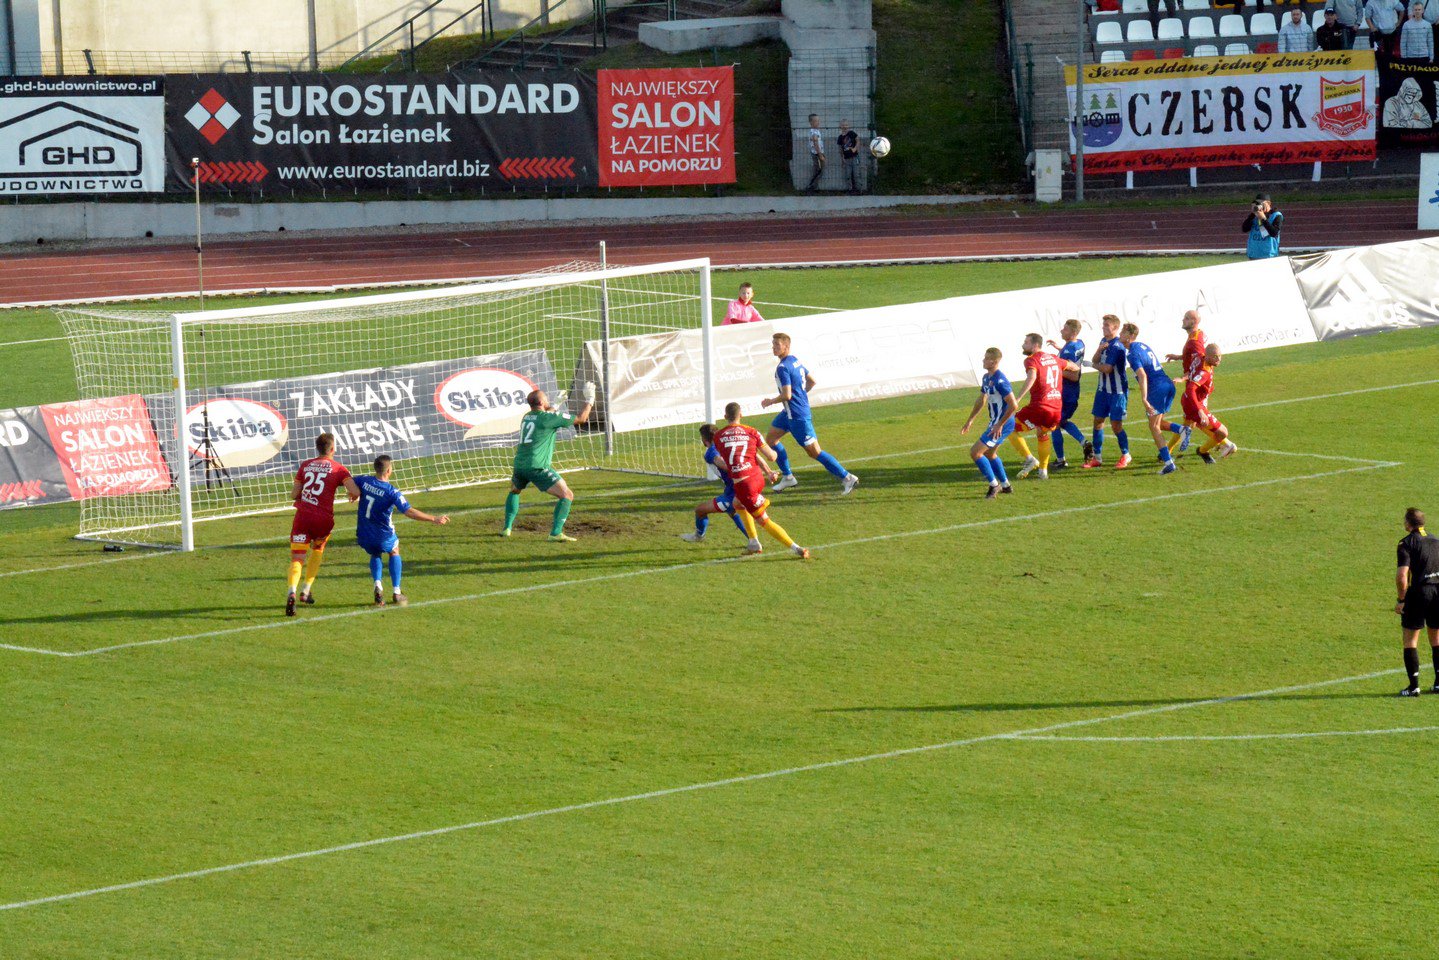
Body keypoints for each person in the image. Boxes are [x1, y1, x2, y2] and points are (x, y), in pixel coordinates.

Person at [760, 332, 860, 495]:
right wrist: (801, 394)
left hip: (797, 416)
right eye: (773, 344)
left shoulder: (783, 368)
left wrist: (770, 401)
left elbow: (787, 395)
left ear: (786, 346)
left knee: (814, 452)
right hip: (788, 413)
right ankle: (788, 477)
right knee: (771, 438)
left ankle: (847, 477)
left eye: (777, 345)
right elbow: (812, 381)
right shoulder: (795, 360)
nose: (773, 347)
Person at [712, 402, 810, 558]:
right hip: (757, 477)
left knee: (764, 520)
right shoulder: (752, 431)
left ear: (725, 417)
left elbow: (730, 456)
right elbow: (771, 456)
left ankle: (797, 548)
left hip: (744, 484)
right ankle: (753, 542)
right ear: (741, 415)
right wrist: (771, 467)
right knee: (737, 503)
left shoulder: (718, 436)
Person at [501, 383, 595, 541]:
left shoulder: (527, 417)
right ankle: (556, 533)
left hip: (520, 464)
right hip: (537, 466)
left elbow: (545, 416)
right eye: (546, 399)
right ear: (542, 402)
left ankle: (507, 528)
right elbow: (582, 419)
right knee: (567, 495)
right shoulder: (550, 418)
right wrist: (590, 399)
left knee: (515, 491)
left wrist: (556, 405)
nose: (548, 401)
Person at [355, 455, 450, 608]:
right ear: (388, 471)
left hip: (364, 534)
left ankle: (378, 584)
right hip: (382, 535)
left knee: (375, 553)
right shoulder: (392, 492)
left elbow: (347, 481)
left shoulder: (364, 480)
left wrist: (353, 493)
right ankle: (397, 592)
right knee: (394, 550)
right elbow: (409, 512)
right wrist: (434, 518)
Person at [286, 432, 360, 617]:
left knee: (297, 558)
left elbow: (294, 494)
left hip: (303, 517)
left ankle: (291, 592)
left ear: (317, 448)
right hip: (323, 520)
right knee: (318, 549)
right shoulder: (339, 469)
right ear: (333, 449)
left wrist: (304, 494)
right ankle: (305, 590)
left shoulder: (305, 465)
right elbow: (355, 490)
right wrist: (352, 494)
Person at [1008, 333, 1079, 481]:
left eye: (1026, 342)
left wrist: (1018, 398)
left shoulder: (1031, 360)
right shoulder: (1054, 359)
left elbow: (1032, 377)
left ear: (1035, 345)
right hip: (1056, 408)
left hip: (1039, 407)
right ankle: (1043, 471)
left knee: (1008, 427)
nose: (1023, 345)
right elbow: (1075, 367)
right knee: (1042, 434)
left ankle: (1030, 459)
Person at [1118, 323, 1184, 475]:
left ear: (1129, 336)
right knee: (1158, 423)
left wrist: (1144, 398)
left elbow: (1142, 375)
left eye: (1123, 332)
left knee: (1154, 426)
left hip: (1157, 389)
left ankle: (1168, 463)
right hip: (1168, 384)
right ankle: (1181, 429)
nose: (1120, 334)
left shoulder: (1132, 354)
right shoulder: (1142, 346)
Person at [680, 423, 757, 544]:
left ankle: (698, 536)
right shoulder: (726, 444)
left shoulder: (711, 452)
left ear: (704, 439)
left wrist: (732, 468)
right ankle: (753, 541)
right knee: (732, 511)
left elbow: (718, 460)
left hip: (734, 492)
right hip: (743, 485)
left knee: (700, 510)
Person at [960, 347, 1017, 500]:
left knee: (976, 452)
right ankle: (1006, 485)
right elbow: (982, 399)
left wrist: (1000, 425)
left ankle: (994, 485)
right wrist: (970, 420)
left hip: (1003, 423)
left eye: (986, 358)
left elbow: (1014, 405)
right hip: (996, 422)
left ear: (994, 361)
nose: (983, 360)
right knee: (990, 454)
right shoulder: (986, 378)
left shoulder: (1000, 381)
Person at [1395, 507, 1439, 696]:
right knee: (1436, 637)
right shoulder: (1436, 540)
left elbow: (1402, 576)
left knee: (1410, 640)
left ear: (1408, 523)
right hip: (1438, 591)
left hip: (1418, 593)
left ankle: (1414, 687)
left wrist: (1401, 599)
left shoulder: (1406, 543)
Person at [1083, 314, 1132, 470]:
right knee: (1098, 421)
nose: (1103, 328)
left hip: (1117, 392)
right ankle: (1097, 457)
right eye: (1103, 325)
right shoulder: (1104, 341)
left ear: (1115, 328)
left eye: (1107, 326)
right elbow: (1096, 359)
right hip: (1103, 390)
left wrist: (1092, 365)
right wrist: (1098, 350)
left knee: (1116, 425)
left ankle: (1126, 454)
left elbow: (1107, 368)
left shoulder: (1117, 346)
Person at [1180, 343, 1238, 464]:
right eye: (1215, 357)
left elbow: (1189, 356)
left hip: (1190, 401)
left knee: (1200, 424)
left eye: (1220, 356)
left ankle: (1166, 453)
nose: (1219, 359)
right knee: (1223, 432)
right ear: (1207, 356)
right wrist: (1200, 411)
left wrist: (1176, 357)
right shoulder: (1204, 371)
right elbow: (1191, 389)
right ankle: (1202, 451)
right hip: (1194, 404)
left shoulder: (1199, 356)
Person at [1045, 319, 1089, 470]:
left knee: (1054, 424)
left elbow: (1074, 375)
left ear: (1073, 332)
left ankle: (1061, 460)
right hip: (1072, 392)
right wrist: (1059, 349)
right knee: (1062, 421)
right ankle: (1084, 443)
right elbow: (1071, 357)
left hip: (1065, 392)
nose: (1061, 330)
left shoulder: (1070, 349)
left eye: (1065, 329)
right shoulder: (1079, 343)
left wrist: (1054, 367)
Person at [1164, 309, 1207, 452]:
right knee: (1192, 420)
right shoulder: (1197, 334)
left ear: (1193, 322)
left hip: (1197, 385)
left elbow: (1199, 364)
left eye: (1186, 318)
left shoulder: (1195, 341)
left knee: (1195, 420)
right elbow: (1194, 356)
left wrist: (1183, 378)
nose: (1183, 320)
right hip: (1195, 383)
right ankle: (1167, 450)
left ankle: (1225, 442)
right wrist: (1178, 357)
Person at [1242, 193, 1284, 260]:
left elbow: (1273, 233)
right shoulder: (1254, 216)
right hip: (1253, 254)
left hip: (1269, 255)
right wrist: (1252, 214)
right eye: (1257, 203)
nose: (1259, 206)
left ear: (1269, 203)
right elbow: (1244, 229)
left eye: (1261, 203)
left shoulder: (1276, 215)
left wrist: (1263, 219)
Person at [837, 119, 861, 194]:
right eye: (843, 125)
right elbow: (840, 149)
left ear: (849, 126)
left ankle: (858, 189)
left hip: (854, 157)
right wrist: (842, 158)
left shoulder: (852, 133)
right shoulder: (840, 137)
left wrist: (855, 148)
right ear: (840, 126)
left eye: (846, 125)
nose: (845, 127)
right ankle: (850, 189)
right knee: (848, 175)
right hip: (847, 158)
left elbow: (858, 140)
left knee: (856, 174)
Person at [805, 114, 825, 191]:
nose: (818, 122)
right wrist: (820, 155)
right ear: (811, 122)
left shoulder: (816, 131)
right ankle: (811, 186)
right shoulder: (814, 132)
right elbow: (815, 143)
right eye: (816, 121)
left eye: (818, 120)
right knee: (818, 170)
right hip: (817, 154)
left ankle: (814, 186)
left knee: (819, 170)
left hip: (818, 153)